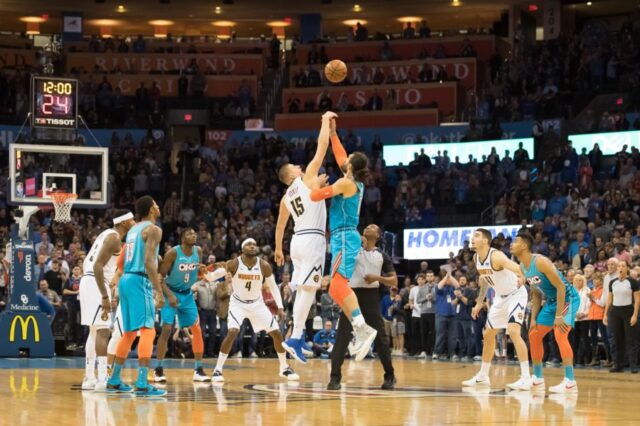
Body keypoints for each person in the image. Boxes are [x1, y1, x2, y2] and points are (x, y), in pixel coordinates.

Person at [308, 116, 377, 362]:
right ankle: (360, 328)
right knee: (336, 290)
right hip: (342, 238)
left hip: (345, 237)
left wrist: (312, 184)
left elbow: (316, 196)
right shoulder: (351, 180)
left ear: (350, 166)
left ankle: (363, 327)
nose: (343, 160)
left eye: (347, 160)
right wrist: (334, 134)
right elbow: (340, 156)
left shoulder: (345, 183)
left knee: (337, 286)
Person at [276, 111, 333, 363]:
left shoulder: (286, 197)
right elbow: (321, 148)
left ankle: (297, 338)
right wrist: (324, 121)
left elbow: (279, 227)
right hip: (311, 240)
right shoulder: (307, 177)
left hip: (296, 242)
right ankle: (296, 337)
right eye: (296, 168)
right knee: (309, 291)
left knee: (304, 291)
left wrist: (278, 249)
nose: (301, 166)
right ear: (292, 175)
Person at [211, 238, 299, 383]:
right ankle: (218, 369)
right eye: (248, 244)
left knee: (276, 333)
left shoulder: (264, 265)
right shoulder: (234, 263)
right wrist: (206, 272)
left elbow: (273, 287)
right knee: (233, 331)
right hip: (238, 303)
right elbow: (213, 276)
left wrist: (281, 307)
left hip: (257, 304)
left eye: (254, 244)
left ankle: (284, 367)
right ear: (242, 249)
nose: (252, 246)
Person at [106, 196, 166, 397]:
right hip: (140, 280)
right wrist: (158, 290)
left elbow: (123, 261)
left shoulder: (132, 230)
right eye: (156, 204)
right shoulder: (154, 229)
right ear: (151, 209)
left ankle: (114, 378)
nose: (158, 207)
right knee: (148, 330)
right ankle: (142, 382)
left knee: (129, 333)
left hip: (126, 280)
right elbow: (149, 262)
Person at [328, 224, 397, 390]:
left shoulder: (382, 255)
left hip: (371, 298)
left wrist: (377, 278)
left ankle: (390, 375)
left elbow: (394, 281)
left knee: (381, 339)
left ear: (378, 235)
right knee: (342, 337)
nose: (368, 227)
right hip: (351, 296)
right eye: (366, 226)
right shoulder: (354, 249)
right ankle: (334, 378)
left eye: (373, 227)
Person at [463, 229, 531, 389]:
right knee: (488, 334)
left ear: (485, 241)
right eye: (473, 236)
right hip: (500, 298)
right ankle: (483, 376)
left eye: (477, 236)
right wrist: (480, 302)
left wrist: (523, 276)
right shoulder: (476, 257)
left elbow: (520, 268)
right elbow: (486, 279)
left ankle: (526, 377)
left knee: (514, 331)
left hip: (516, 294)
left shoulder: (496, 256)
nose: (473, 239)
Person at [512, 232, 580, 394]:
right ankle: (537, 379)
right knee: (534, 334)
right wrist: (534, 318)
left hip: (567, 298)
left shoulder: (540, 262)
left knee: (560, 334)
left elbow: (562, 287)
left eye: (515, 241)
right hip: (550, 302)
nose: (511, 244)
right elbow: (536, 293)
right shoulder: (523, 266)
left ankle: (570, 381)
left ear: (524, 246)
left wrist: (558, 316)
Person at [78, 209, 135, 391]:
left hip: (89, 281)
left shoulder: (106, 234)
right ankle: (102, 379)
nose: (134, 223)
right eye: (132, 220)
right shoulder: (114, 238)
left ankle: (89, 378)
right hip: (96, 282)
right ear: (125, 222)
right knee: (103, 332)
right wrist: (104, 295)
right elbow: (97, 266)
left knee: (94, 332)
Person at [154, 228, 217, 383]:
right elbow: (159, 277)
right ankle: (158, 369)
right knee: (167, 330)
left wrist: (202, 271)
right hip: (171, 292)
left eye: (194, 233)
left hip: (187, 294)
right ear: (182, 238)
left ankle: (198, 369)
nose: (193, 235)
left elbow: (195, 272)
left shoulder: (199, 251)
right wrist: (169, 295)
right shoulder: (173, 253)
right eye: (189, 233)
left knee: (197, 329)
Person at [603, 261, 640, 373]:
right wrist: (605, 314)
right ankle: (617, 365)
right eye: (619, 266)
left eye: (623, 266)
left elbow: (638, 299)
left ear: (627, 268)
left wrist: (635, 315)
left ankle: (633, 365)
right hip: (615, 312)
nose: (621, 268)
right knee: (616, 340)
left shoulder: (633, 282)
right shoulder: (612, 282)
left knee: (631, 339)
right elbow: (609, 299)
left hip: (628, 311)